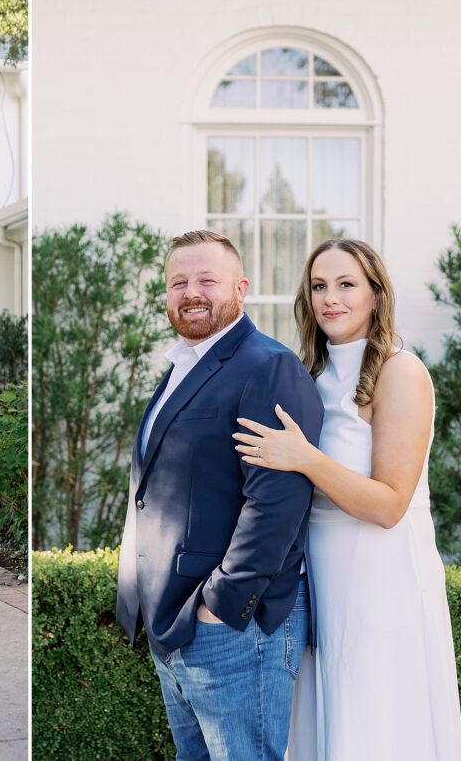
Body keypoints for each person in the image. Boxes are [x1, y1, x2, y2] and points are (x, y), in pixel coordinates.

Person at [231, 239, 461, 760]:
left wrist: (304, 457)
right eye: (319, 286)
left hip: (383, 588)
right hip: (322, 589)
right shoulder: (310, 377)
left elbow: (388, 505)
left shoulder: (399, 372)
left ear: (376, 295)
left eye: (346, 284)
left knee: (375, 729)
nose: (330, 298)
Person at [116, 230, 324, 761]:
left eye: (207, 280)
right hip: (174, 622)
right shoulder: (180, 368)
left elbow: (276, 502)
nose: (192, 292)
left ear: (241, 288)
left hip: (233, 626)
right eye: (178, 282)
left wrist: (220, 605)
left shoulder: (268, 367)